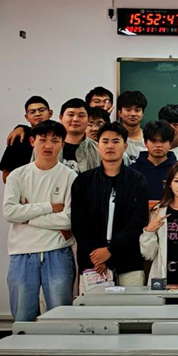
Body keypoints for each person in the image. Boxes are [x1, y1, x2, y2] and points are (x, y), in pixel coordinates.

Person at [2, 120, 76, 321]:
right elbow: (9, 213)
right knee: (22, 315)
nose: (48, 145)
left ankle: (59, 345)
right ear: (33, 141)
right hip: (22, 252)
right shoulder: (17, 176)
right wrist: (49, 207)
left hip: (58, 251)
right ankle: (21, 344)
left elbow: (68, 220)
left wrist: (27, 217)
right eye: (43, 140)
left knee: (60, 316)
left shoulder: (70, 176)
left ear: (62, 144)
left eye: (55, 140)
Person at [71, 122, 149, 288]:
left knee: (132, 304)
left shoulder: (137, 180)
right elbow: (79, 223)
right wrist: (97, 256)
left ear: (125, 146)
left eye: (116, 141)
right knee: (93, 305)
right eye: (105, 141)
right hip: (93, 262)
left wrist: (110, 250)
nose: (110, 146)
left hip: (128, 260)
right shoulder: (84, 181)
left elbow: (138, 221)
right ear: (98, 145)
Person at [0, 96, 53, 182]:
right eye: (32, 112)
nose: (37, 114)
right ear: (27, 117)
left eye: (42, 110)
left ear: (50, 113)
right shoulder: (19, 138)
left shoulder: (60, 135)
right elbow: (6, 176)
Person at [42, 98, 100, 175]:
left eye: (81, 115)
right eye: (71, 115)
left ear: (88, 119)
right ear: (61, 118)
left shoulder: (98, 149)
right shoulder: (43, 147)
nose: (75, 119)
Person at [128, 120, 178, 203]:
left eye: (163, 141)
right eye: (153, 141)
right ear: (145, 143)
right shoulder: (132, 171)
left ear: (170, 144)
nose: (158, 145)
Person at [115, 90, 147, 160]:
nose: (133, 114)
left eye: (137, 110)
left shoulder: (149, 140)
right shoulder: (113, 139)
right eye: (128, 110)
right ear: (119, 112)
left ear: (142, 114)